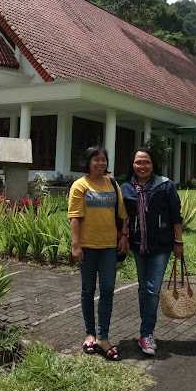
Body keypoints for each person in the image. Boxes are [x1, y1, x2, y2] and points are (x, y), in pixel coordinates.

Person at [68, 146, 129, 361]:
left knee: (108, 289)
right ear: (88, 162)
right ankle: (90, 333)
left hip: (109, 248)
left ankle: (104, 336)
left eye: (103, 160)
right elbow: (75, 218)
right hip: (87, 247)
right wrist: (76, 246)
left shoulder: (112, 184)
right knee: (87, 290)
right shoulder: (80, 185)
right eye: (96, 160)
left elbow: (122, 214)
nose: (101, 163)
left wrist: (124, 236)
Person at [121, 147, 183, 356]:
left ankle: (146, 333)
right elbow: (124, 217)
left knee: (152, 289)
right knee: (143, 289)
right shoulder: (126, 188)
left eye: (146, 162)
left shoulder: (165, 185)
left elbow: (176, 216)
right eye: (138, 162)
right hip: (138, 246)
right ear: (132, 165)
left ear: (153, 164)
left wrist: (178, 242)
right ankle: (145, 331)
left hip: (161, 246)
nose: (142, 166)